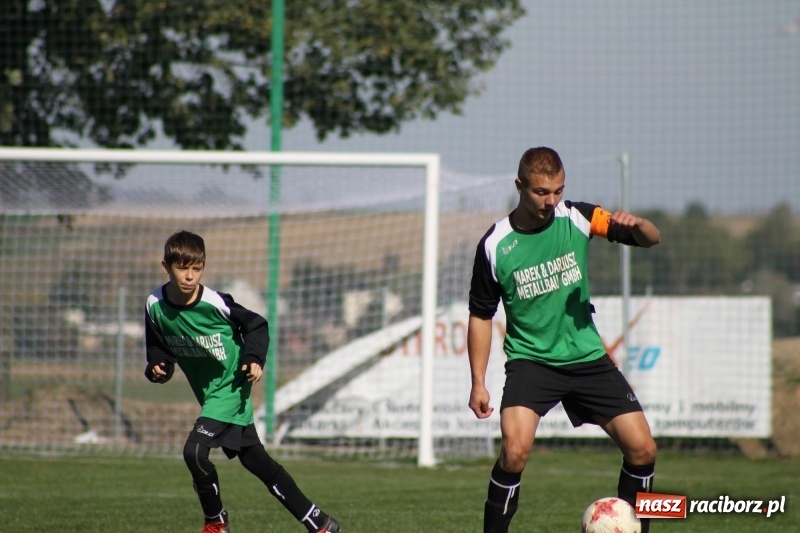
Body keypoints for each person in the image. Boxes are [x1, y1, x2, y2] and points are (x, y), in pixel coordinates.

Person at [467, 147, 661, 533]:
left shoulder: (578, 217)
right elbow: (480, 316)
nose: (551, 201)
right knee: (514, 451)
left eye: (558, 190)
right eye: (541, 192)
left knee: (643, 449)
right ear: (520, 186)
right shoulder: (494, 245)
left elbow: (652, 239)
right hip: (531, 362)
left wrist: (638, 224)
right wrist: (477, 382)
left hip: (587, 358)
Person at [145, 230, 341, 533]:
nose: (189, 276)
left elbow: (257, 326)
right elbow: (159, 346)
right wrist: (158, 366)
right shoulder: (154, 305)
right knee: (255, 460)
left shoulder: (214, 302)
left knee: (194, 451)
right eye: (182, 268)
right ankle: (319, 522)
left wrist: (253, 359)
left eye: (196, 269)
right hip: (209, 392)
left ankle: (215, 521)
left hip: (232, 384)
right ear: (165, 267)